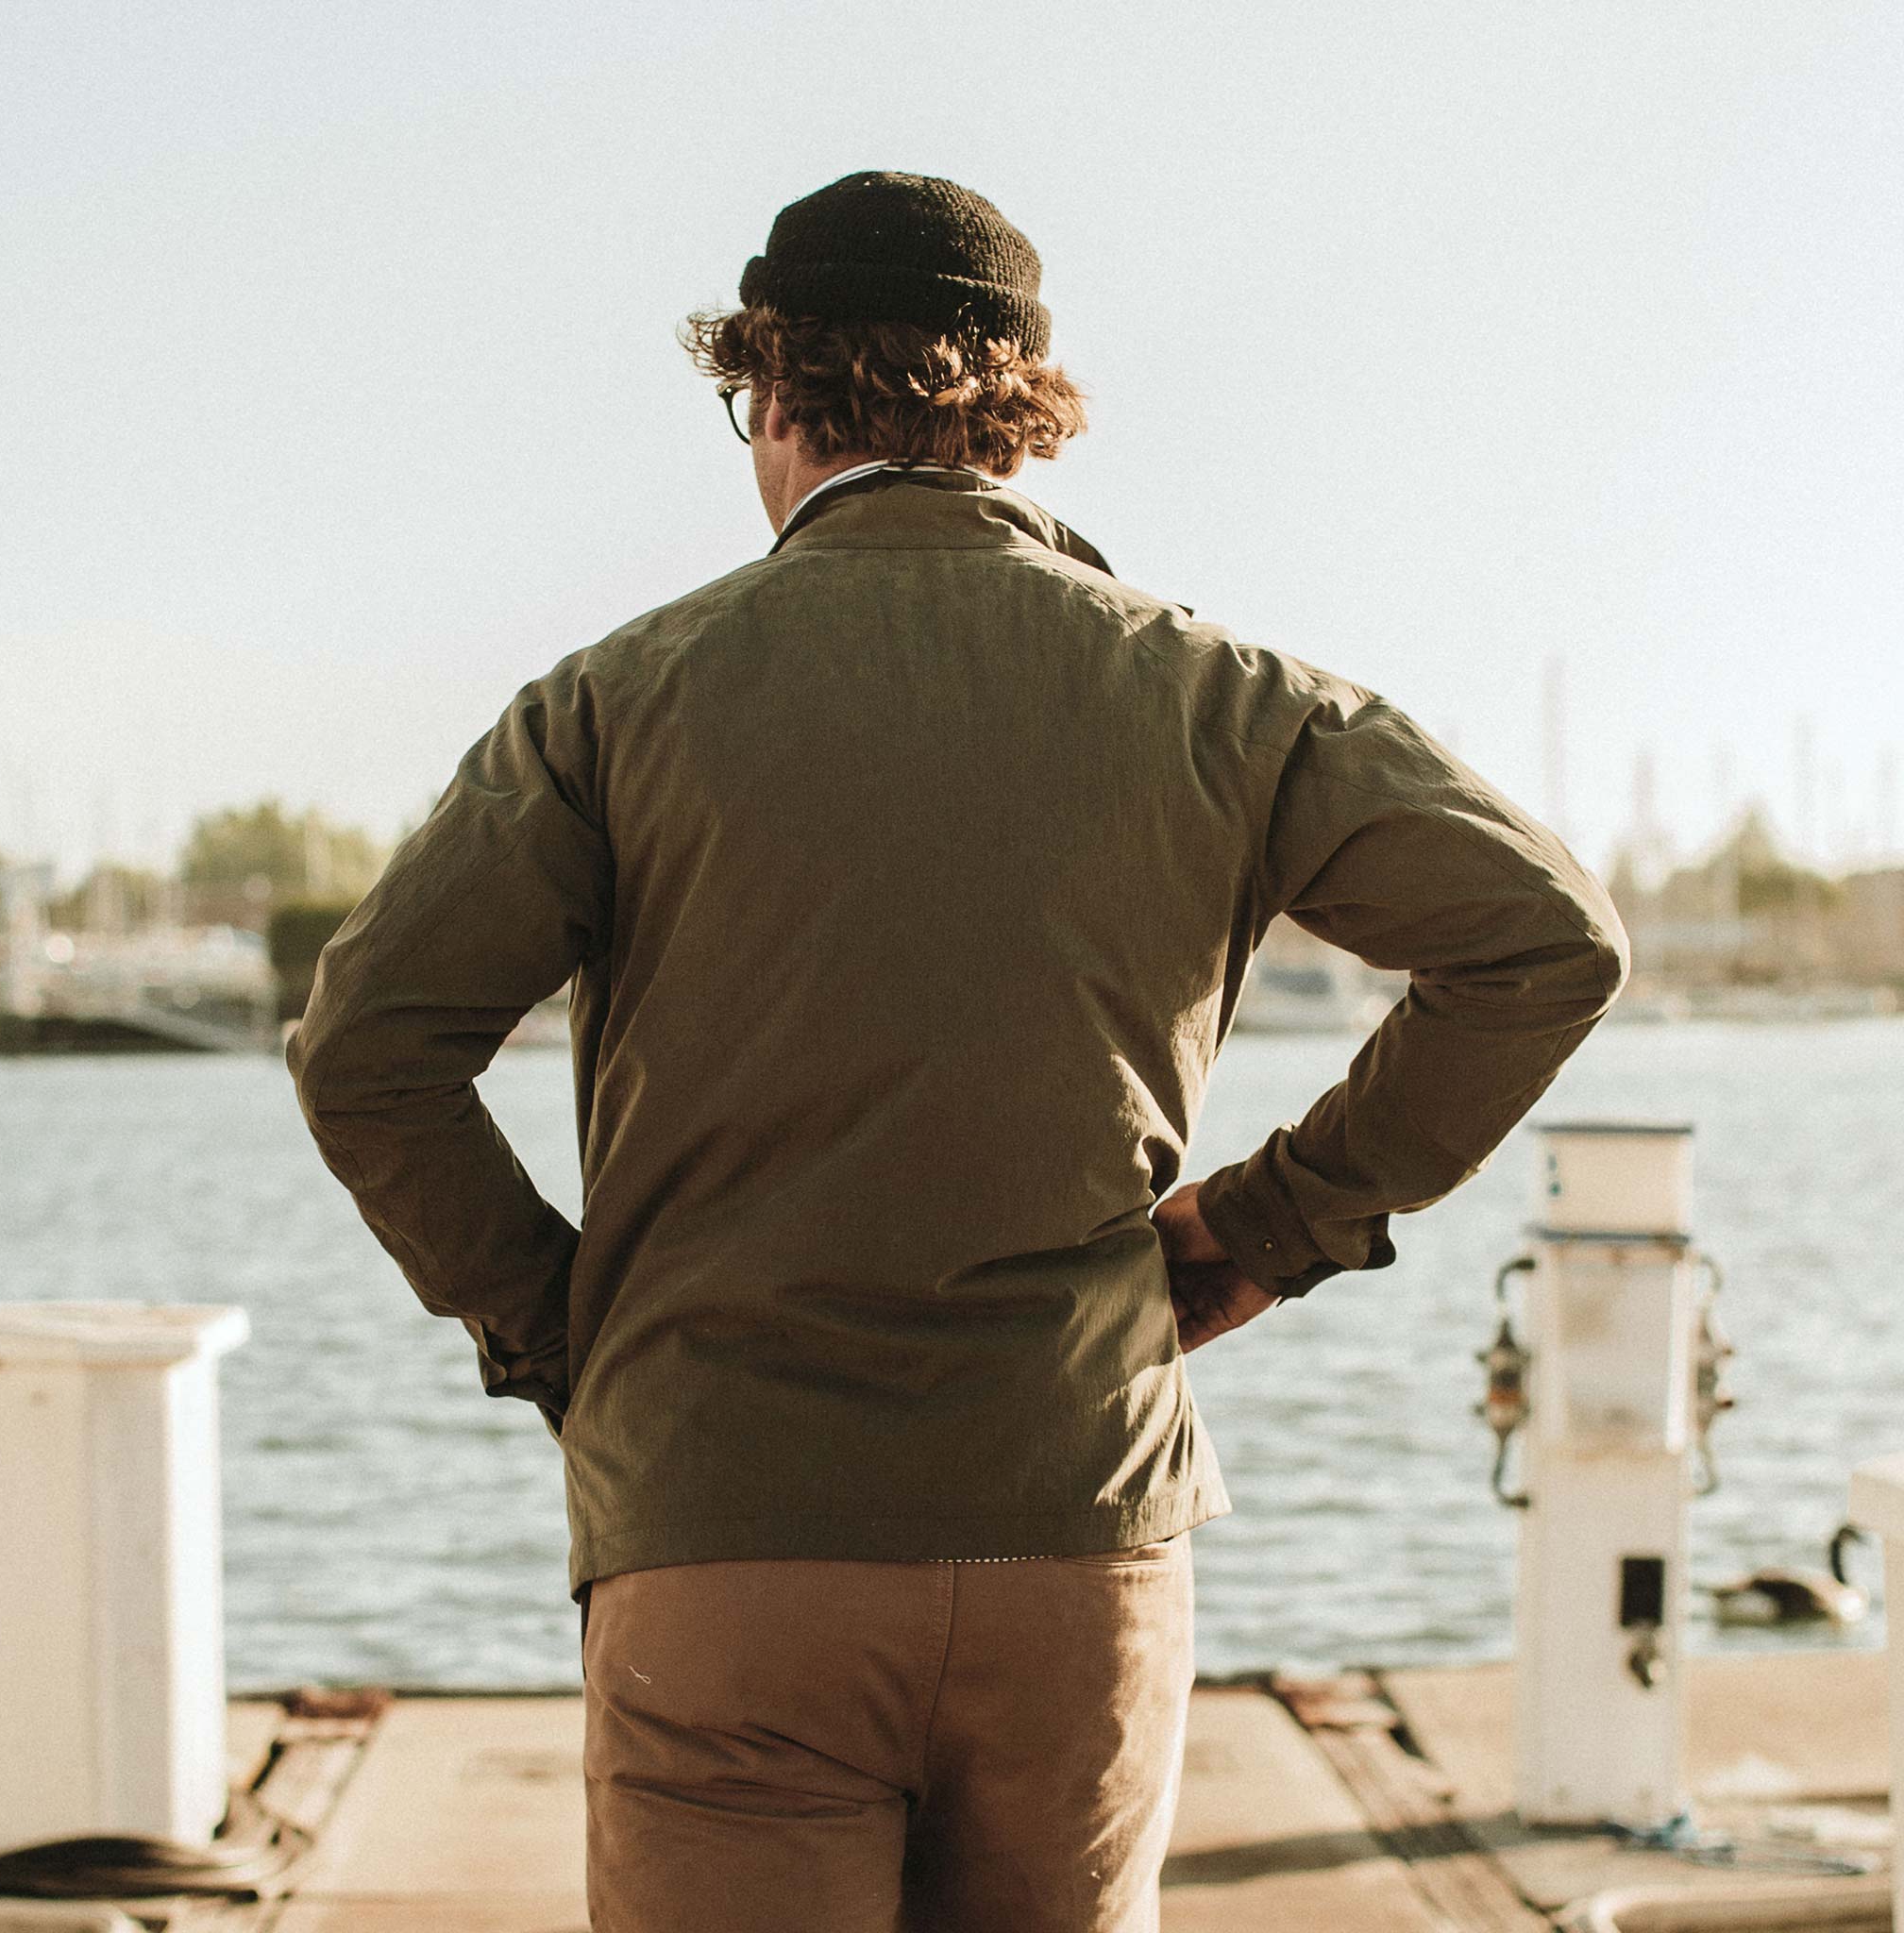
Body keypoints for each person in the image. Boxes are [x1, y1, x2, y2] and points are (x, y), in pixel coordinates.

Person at [286, 169, 1629, 1931]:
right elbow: (1545, 941)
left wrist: (573, 1334)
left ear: (768, 393)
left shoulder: (612, 703)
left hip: (722, 1524)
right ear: (1022, 411)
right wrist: (1264, 1228)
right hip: (1075, 1524)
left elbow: (367, 1046)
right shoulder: (1217, 692)